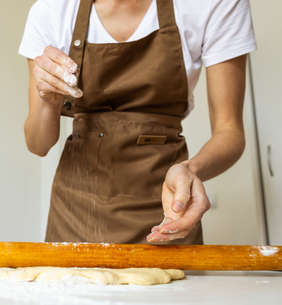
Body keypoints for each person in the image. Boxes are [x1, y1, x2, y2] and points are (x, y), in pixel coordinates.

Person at [20, 0, 256, 244]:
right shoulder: (51, 12)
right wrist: (49, 99)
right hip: (77, 211)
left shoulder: (214, 4)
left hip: (168, 206)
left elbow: (229, 132)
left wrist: (190, 170)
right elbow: (38, 144)